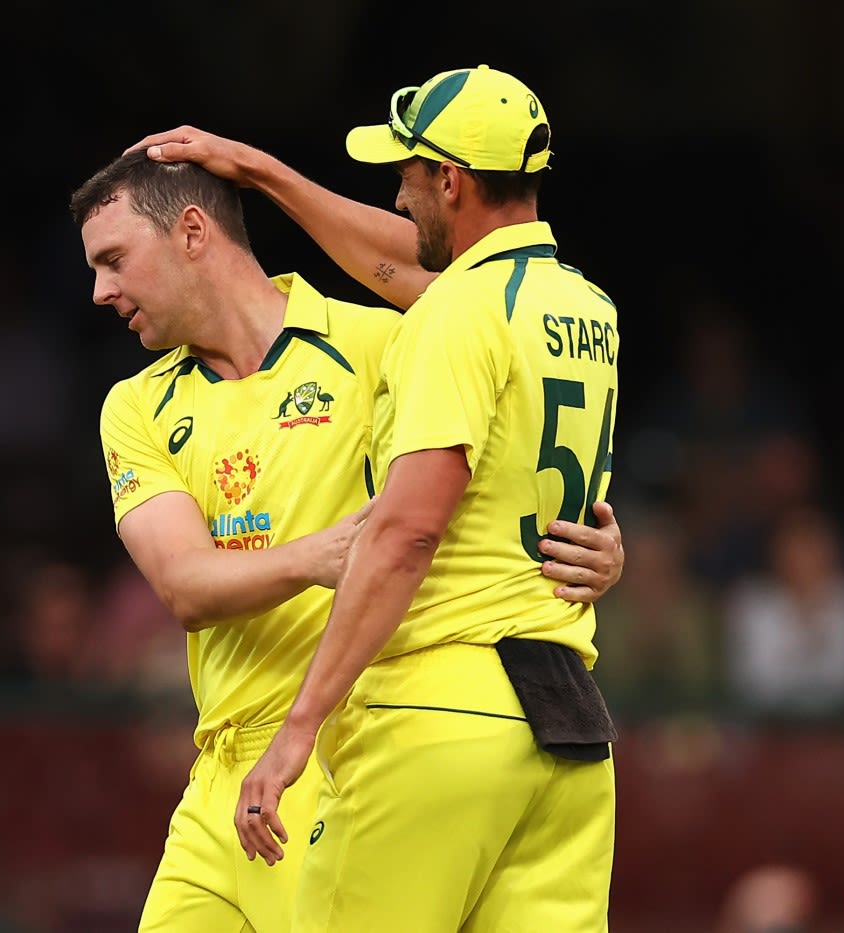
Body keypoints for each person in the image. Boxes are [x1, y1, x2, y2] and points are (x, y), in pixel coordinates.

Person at [69, 135, 625, 932]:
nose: (99, 289)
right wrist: (319, 555)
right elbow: (185, 587)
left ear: (193, 231)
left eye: (114, 258)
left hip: (336, 749)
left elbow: (476, 286)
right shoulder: (135, 405)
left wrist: (589, 538)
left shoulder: (379, 343)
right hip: (219, 770)